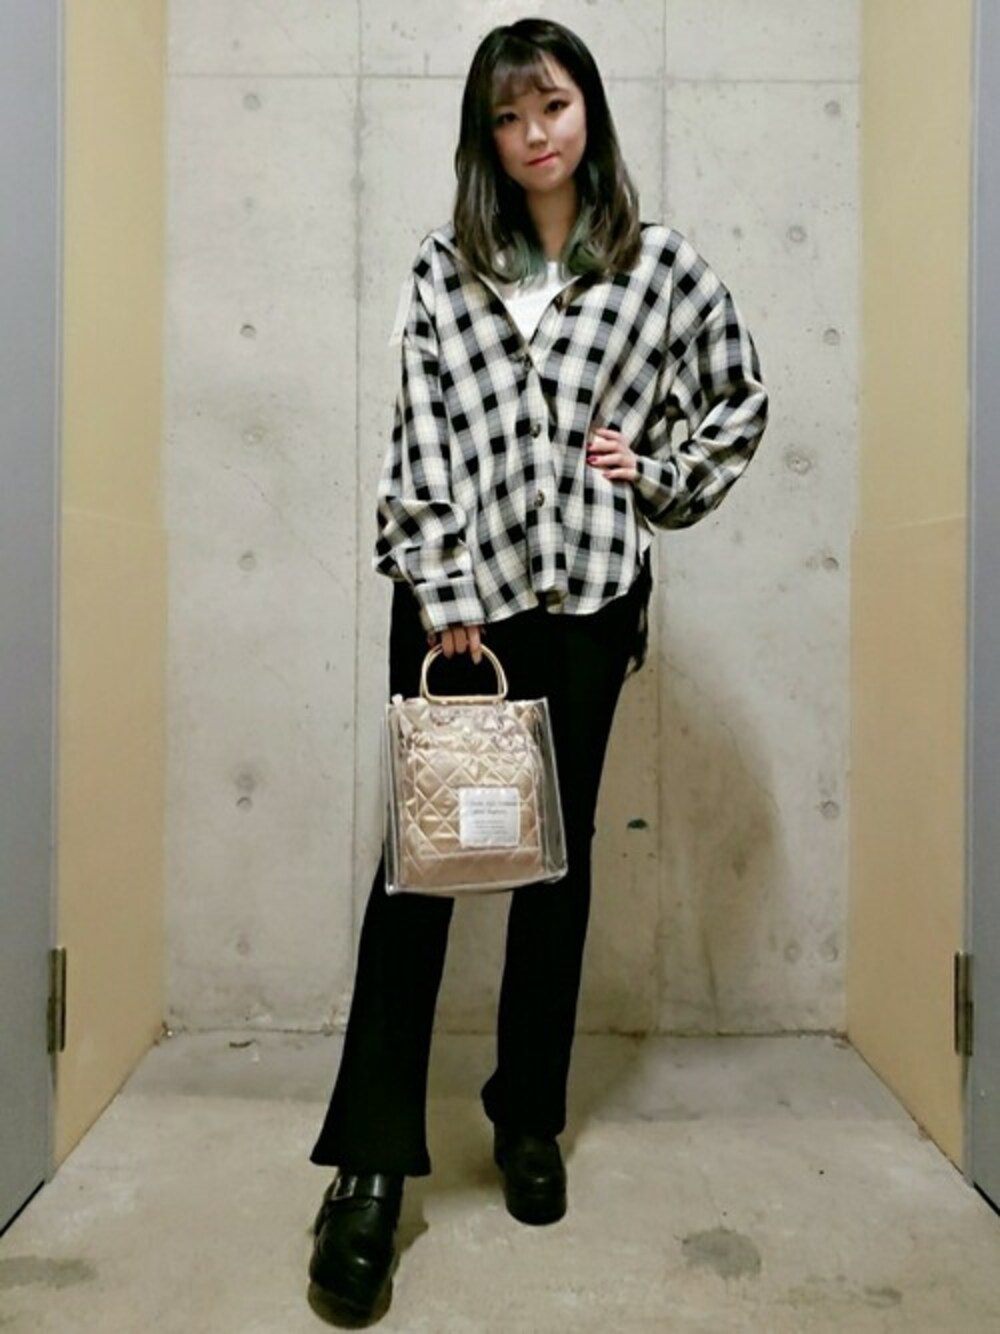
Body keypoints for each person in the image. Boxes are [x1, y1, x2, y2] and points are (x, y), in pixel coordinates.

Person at [306, 16, 769, 1323]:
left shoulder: (659, 268)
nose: (534, 136)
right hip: (464, 613)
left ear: (589, 112)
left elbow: (735, 399)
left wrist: (658, 473)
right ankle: (367, 1169)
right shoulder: (445, 267)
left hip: (588, 603)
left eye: (552, 107)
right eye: (508, 118)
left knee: (552, 866)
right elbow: (420, 436)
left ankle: (527, 1114)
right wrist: (445, 591)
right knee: (423, 873)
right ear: (487, 138)